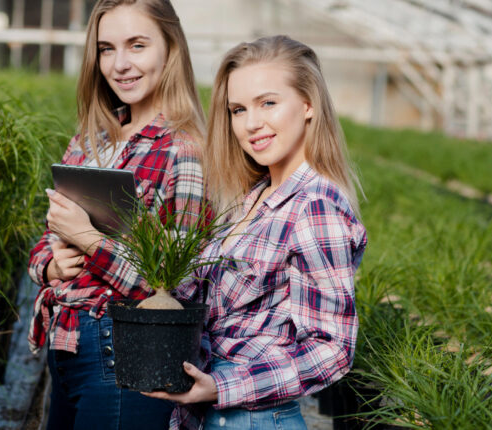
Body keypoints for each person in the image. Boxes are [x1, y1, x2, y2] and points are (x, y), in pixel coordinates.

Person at [143, 35, 368, 430]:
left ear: (308, 103)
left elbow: (332, 350)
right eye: (237, 109)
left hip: (254, 419)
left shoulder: (314, 205)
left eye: (268, 103)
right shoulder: (254, 198)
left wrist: (221, 386)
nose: (251, 124)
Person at [26, 1, 206, 428]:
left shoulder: (184, 149)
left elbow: (177, 283)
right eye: (107, 49)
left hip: (123, 351)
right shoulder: (90, 140)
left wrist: (88, 240)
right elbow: (45, 237)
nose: (120, 64)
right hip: (67, 346)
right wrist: (52, 266)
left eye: (137, 45)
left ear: (171, 48)